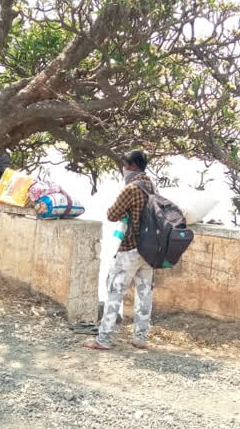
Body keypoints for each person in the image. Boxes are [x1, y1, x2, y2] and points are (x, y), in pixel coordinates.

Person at [84, 150, 156, 350]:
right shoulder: (152, 185)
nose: (123, 169)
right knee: (144, 294)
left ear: (132, 166)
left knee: (115, 291)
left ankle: (104, 339)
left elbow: (112, 214)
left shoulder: (131, 188)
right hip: (150, 250)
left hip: (130, 247)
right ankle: (140, 338)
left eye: (125, 165)